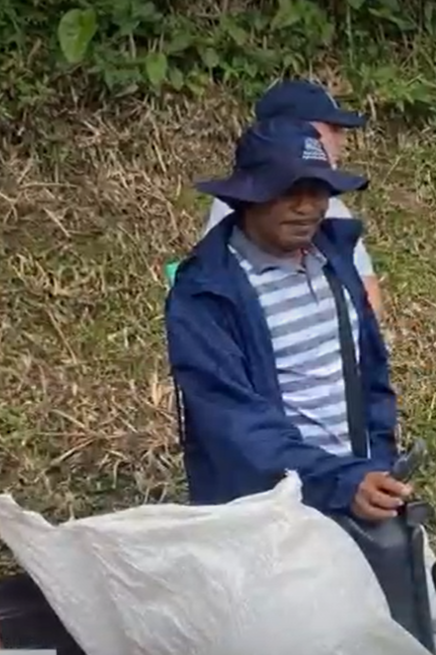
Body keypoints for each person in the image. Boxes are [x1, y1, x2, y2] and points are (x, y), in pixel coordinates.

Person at [166, 116, 410, 520]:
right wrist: (339, 483)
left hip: (357, 492)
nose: (307, 206)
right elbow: (232, 424)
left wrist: (375, 466)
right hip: (268, 513)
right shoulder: (207, 293)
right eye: (288, 190)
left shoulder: (334, 260)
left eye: (317, 190)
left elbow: (372, 377)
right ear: (248, 196)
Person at [200, 79, 386, 319]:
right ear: (292, 129)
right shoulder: (250, 208)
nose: (343, 141)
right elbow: (369, 306)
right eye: (333, 129)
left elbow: (368, 298)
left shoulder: (332, 212)